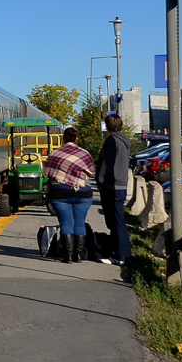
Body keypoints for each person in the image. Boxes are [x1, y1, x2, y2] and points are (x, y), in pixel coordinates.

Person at [44, 127, 97, 263]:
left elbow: (47, 173)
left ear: (63, 138)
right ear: (76, 138)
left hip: (60, 193)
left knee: (66, 223)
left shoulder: (55, 154)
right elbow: (91, 171)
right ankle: (78, 256)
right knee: (79, 223)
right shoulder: (85, 154)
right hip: (83, 193)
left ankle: (67, 256)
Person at [96, 113, 133, 267]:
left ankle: (121, 255)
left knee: (115, 221)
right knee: (119, 220)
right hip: (121, 184)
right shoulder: (124, 141)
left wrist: (100, 181)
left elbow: (106, 163)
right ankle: (120, 252)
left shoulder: (111, 141)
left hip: (111, 185)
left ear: (107, 126)